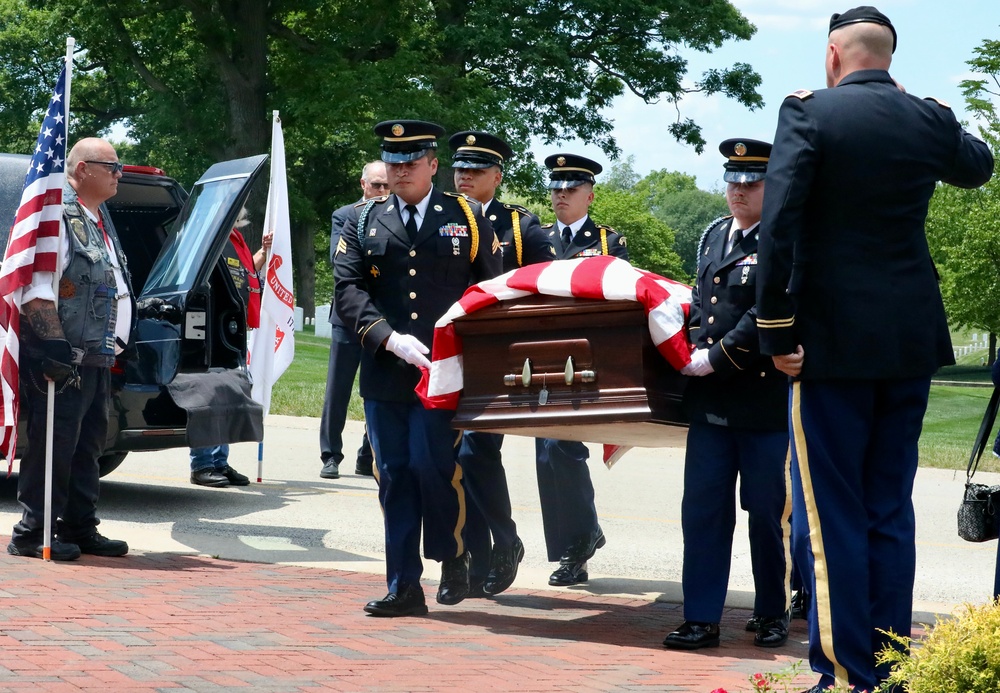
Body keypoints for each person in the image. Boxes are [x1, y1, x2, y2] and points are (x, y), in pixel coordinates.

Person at [755, 7, 994, 691]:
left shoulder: (810, 114)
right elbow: (978, 167)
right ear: (888, 57)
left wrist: (776, 329)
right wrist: (945, 115)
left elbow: (779, 224)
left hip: (827, 344)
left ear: (834, 54)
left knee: (831, 516)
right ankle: (891, 665)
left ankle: (847, 670)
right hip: (909, 340)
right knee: (889, 507)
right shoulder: (927, 119)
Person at [334, 119, 501, 617]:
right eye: (393, 161)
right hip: (386, 370)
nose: (401, 170)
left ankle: (452, 552)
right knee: (395, 473)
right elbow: (348, 289)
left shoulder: (467, 217)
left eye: (411, 162)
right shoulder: (362, 220)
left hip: (445, 370)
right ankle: (404, 584)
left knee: (436, 466)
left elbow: (489, 289)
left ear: (433, 165)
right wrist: (387, 337)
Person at [663, 139, 791, 652]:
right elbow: (702, 304)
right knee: (703, 510)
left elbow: (768, 312)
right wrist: (686, 343)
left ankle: (769, 612)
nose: (739, 191)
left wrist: (715, 357)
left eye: (751, 182)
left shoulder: (782, 238)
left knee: (766, 513)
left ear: (772, 186)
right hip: (712, 405)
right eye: (732, 181)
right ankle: (701, 617)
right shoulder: (714, 235)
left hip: (761, 402)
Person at [8, 138, 135, 561]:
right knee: (55, 446)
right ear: (83, 170)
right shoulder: (56, 217)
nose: (119, 173)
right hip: (63, 359)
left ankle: (80, 526)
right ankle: (33, 532)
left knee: (89, 446)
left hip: (96, 357)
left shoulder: (97, 218)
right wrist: (54, 345)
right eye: (112, 166)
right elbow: (35, 287)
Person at [450, 131, 555, 597]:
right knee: (451, 461)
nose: (464, 178)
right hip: (447, 352)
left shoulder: (519, 227)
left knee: (476, 451)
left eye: (475, 171)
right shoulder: (442, 218)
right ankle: (473, 559)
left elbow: (545, 287)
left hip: (498, 355)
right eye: (459, 169)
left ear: (497, 176)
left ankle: (505, 540)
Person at [535, 153, 628, 587]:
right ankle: (578, 541)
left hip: (588, 358)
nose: (560, 196)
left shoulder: (609, 242)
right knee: (546, 452)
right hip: (539, 358)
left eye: (569, 189)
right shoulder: (535, 238)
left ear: (589, 195)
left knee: (560, 447)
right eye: (555, 188)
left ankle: (578, 542)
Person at [319, 161, 388, 480]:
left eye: (387, 186)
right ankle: (330, 454)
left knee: (377, 389)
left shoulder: (397, 215)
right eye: (377, 185)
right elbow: (341, 261)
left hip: (384, 319)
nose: (382, 191)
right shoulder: (346, 215)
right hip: (349, 318)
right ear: (363, 184)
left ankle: (367, 453)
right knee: (339, 390)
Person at [188, 220, 271, 488]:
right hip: (212, 325)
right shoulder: (212, 231)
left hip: (231, 326)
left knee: (228, 395)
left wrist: (262, 253)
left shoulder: (234, 238)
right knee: (209, 395)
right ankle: (202, 464)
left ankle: (219, 461)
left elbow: (243, 276)